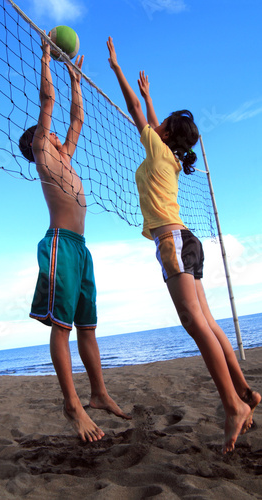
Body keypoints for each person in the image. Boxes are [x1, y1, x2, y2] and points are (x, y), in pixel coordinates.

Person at [106, 36, 260, 454]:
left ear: (167, 133)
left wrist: (118, 70)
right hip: (187, 239)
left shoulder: (158, 149)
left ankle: (232, 406)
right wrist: (151, 95)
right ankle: (246, 392)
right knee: (208, 324)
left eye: (164, 123)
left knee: (195, 325)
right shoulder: (171, 155)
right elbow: (155, 121)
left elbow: (139, 116)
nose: (157, 125)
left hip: (173, 241)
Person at [18, 35, 130, 443]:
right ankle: (72, 405)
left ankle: (98, 394)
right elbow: (47, 104)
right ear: (38, 143)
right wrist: (47, 57)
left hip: (81, 249)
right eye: (47, 135)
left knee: (88, 327)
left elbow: (76, 120)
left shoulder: (64, 154)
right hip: (60, 244)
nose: (56, 137)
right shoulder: (43, 154)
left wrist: (77, 79)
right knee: (61, 328)